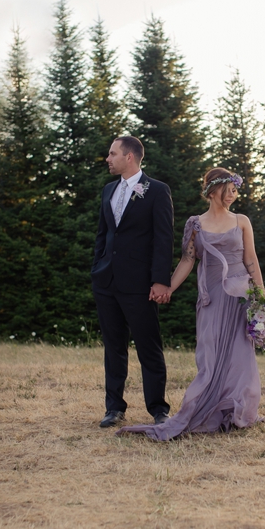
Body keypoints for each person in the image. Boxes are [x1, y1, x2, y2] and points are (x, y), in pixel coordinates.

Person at [117, 167, 263, 440]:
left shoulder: (241, 221)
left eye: (235, 189)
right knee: (209, 357)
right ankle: (205, 409)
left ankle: (235, 411)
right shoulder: (196, 224)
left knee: (240, 357)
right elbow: (187, 260)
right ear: (212, 190)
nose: (233, 194)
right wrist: (167, 287)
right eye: (228, 189)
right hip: (212, 297)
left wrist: (263, 300)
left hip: (240, 297)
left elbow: (251, 261)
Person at [91, 136, 173, 428]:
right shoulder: (108, 190)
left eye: (112, 153)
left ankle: (159, 409)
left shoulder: (157, 191)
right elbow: (104, 234)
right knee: (113, 348)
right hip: (106, 282)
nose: (107, 158)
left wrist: (161, 281)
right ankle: (114, 408)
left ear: (129, 157)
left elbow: (164, 239)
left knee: (149, 346)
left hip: (140, 284)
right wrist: (97, 267)